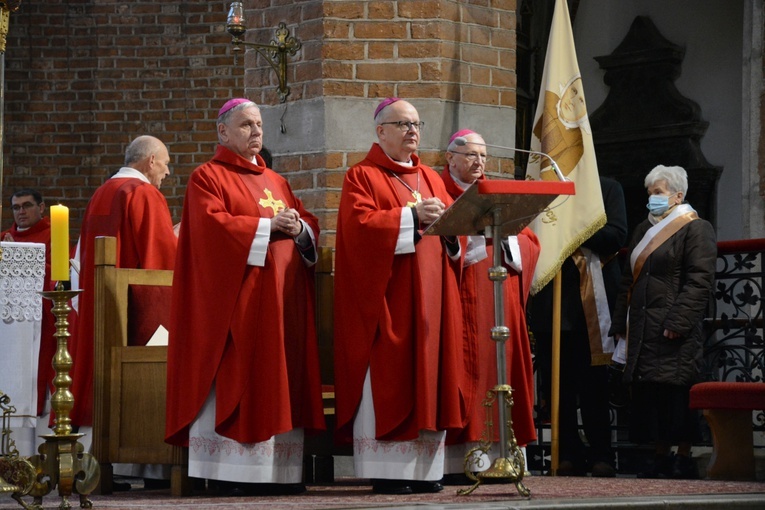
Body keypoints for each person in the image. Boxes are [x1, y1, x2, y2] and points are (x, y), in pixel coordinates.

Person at [165, 98, 325, 496]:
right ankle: (231, 473)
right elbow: (209, 232)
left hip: (282, 303)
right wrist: (267, 227)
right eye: (245, 125)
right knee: (243, 376)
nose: (255, 132)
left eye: (258, 125)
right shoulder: (207, 177)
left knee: (280, 379)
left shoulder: (276, 181)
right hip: (238, 305)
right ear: (223, 131)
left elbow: (307, 227)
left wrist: (299, 228)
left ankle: (281, 474)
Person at [333, 98, 464, 495]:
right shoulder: (362, 176)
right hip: (388, 300)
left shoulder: (433, 178)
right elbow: (359, 230)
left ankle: (425, 471)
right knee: (392, 377)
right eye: (402, 123)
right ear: (381, 132)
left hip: (432, 300)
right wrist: (410, 217)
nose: (412, 130)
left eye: (416, 123)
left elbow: (453, 230)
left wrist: (451, 231)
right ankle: (389, 470)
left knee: (431, 376)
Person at [439, 130, 541, 481]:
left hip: (501, 294)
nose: (479, 162)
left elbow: (529, 240)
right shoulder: (438, 190)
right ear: (450, 158)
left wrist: (506, 237)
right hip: (463, 292)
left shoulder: (499, 194)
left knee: (503, 367)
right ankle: (464, 458)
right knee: (468, 369)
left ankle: (506, 455)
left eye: (483, 155)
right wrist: (471, 242)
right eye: (470, 155)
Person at [608, 165, 716, 479]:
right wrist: (619, 325)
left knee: (675, 393)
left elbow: (700, 280)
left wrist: (679, 320)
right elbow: (628, 280)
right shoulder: (643, 229)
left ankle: (683, 458)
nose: (652, 199)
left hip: (673, 325)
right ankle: (658, 457)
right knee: (650, 394)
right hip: (642, 324)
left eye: (658, 192)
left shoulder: (696, 228)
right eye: (650, 193)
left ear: (678, 195)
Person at [69, 135, 178, 429]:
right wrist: (180, 238)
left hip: (98, 302)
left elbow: (80, 256)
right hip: (134, 311)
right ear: (151, 160)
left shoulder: (102, 192)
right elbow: (162, 259)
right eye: (166, 164)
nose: (167, 173)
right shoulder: (143, 193)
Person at [530, 175, 627, 477]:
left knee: (594, 386)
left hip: (589, 303)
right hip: (550, 301)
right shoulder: (541, 186)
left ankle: (601, 453)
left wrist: (571, 228)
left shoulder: (607, 187)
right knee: (558, 387)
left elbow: (616, 235)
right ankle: (566, 452)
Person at [2, 190, 57, 428]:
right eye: (16, 208)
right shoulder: (4, 239)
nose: (21, 212)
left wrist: (22, 257)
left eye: (26, 206)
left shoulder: (54, 236)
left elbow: (59, 275)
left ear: (41, 207)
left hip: (40, 319)